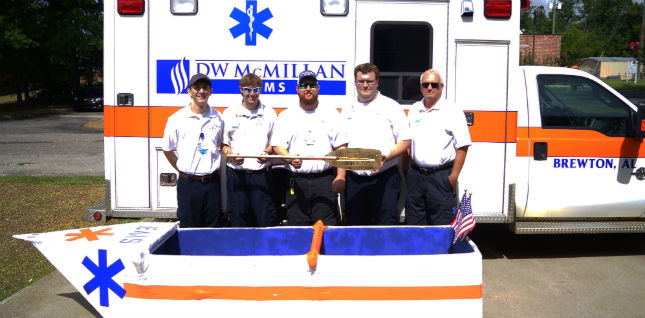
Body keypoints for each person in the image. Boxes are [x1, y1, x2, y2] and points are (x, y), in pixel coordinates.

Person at [270, 70, 347, 226]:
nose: (308, 88)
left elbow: (341, 148)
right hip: (295, 181)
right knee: (297, 228)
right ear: (297, 89)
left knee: (325, 229)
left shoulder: (331, 114)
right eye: (304, 85)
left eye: (312, 85)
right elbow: (277, 146)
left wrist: (341, 177)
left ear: (318, 88)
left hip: (325, 181)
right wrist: (289, 159)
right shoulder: (286, 116)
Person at [341, 63, 410, 225]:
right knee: (355, 227)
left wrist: (386, 156)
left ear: (377, 82)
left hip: (385, 179)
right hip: (355, 180)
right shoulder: (347, 109)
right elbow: (341, 143)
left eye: (370, 81)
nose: (365, 85)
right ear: (355, 82)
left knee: (385, 225)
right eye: (361, 81)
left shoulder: (391, 107)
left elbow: (405, 140)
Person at [405, 69, 471, 225]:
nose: (429, 88)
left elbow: (463, 146)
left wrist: (453, 177)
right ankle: (418, 251)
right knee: (414, 224)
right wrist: (406, 171)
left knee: (441, 225)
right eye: (425, 84)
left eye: (434, 84)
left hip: (441, 177)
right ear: (420, 87)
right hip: (416, 176)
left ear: (442, 87)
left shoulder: (452, 110)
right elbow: (407, 142)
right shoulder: (414, 109)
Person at [162, 73, 224, 228]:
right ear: (189, 91)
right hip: (188, 184)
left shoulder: (218, 118)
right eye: (197, 87)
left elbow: (221, 144)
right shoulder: (176, 119)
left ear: (211, 91)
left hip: (212, 183)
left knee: (213, 228)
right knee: (188, 228)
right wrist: (182, 169)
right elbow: (167, 149)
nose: (201, 91)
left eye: (205, 88)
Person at [221, 73, 277, 227]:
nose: (252, 94)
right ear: (241, 90)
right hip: (236, 175)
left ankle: (266, 251)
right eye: (248, 90)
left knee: (266, 220)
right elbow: (223, 145)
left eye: (256, 90)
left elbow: (274, 142)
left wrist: (267, 152)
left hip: (261, 175)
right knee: (238, 219)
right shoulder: (229, 113)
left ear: (261, 90)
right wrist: (231, 155)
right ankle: (240, 251)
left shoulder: (269, 113)